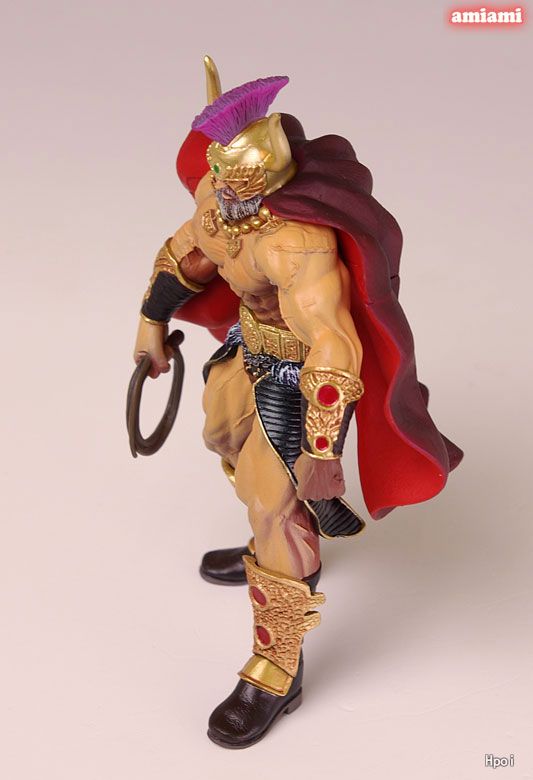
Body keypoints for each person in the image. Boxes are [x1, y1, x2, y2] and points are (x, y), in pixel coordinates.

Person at [132, 57, 463, 748]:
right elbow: (184, 256)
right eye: (218, 175)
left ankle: (276, 667)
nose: (224, 192)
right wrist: (151, 323)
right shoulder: (216, 204)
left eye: (238, 181)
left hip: (297, 375)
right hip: (244, 350)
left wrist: (321, 449)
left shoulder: (296, 244)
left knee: (271, 501)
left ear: (265, 182)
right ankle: (276, 527)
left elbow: (333, 347)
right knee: (222, 438)